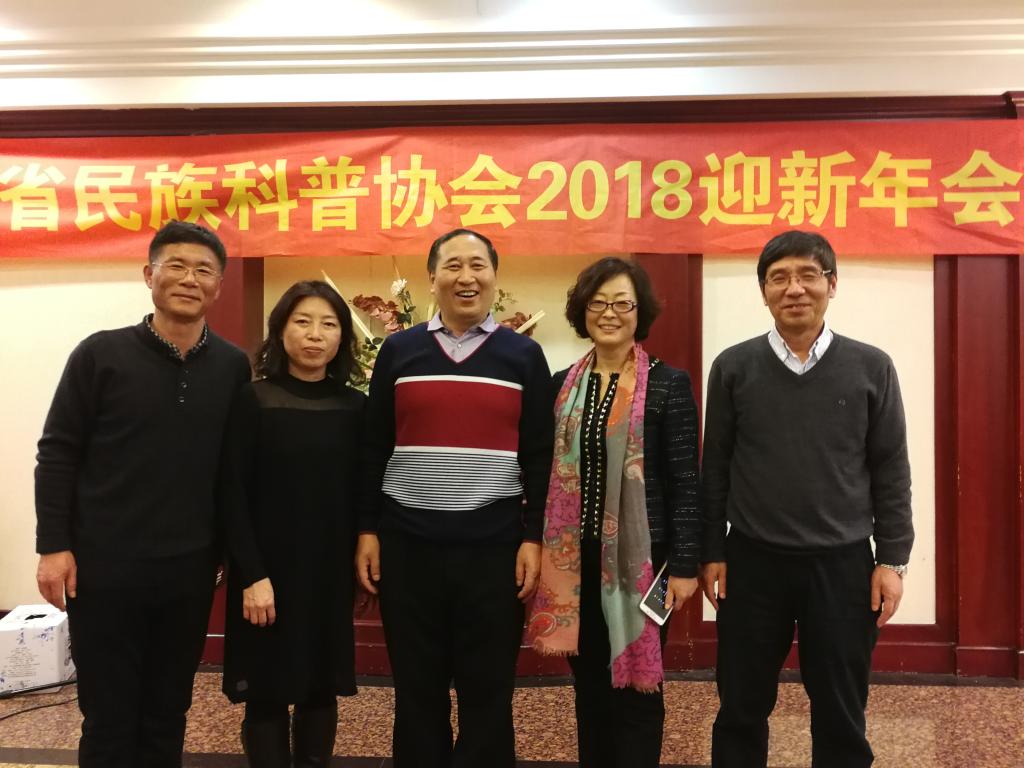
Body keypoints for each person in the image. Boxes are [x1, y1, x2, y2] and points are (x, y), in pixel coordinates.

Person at [34, 220, 251, 768]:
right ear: (149, 275)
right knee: (107, 714)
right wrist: (53, 546)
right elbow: (57, 453)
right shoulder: (100, 355)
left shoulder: (232, 366)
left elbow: (233, 470)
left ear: (218, 286)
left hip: (188, 571)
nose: (189, 279)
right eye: (176, 265)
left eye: (203, 270)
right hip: (103, 569)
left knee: (168, 709)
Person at [700, 230, 914, 768]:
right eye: (779, 278)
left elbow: (891, 468)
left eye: (807, 275)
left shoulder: (871, 366)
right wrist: (712, 550)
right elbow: (715, 467)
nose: (794, 288)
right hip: (752, 563)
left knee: (842, 712)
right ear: (764, 292)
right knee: (741, 705)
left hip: (841, 566)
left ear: (831, 284)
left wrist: (892, 560)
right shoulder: (733, 367)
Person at [354, 228, 554, 768]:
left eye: (477, 265)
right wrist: (367, 529)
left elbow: (539, 456)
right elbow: (374, 446)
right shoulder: (399, 351)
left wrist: (533, 536)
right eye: (453, 265)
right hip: (407, 545)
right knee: (416, 688)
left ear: (494, 275)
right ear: (432, 278)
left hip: (494, 547)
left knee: (488, 690)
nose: (466, 277)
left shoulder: (523, 355)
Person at [527, 257, 701, 768]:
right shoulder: (560, 385)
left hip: (648, 565)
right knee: (589, 686)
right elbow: (542, 472)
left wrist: (685, 564)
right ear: (582, 311)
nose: (609, 313)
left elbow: (686, 481)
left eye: (622, 303)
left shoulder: (669, 384)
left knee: (640, 688)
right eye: (598, 303)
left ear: (639, 311)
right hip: (573, 564)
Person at [219, 280, 365, 768]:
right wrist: (251, 575)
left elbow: (363, 493)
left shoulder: (356, 408)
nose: (315, 334)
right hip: (264, 575)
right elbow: (232, 494)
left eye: (328, 324)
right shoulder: (252, 400)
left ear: (342, 337)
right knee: (266, 689)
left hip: (327, 573)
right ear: (280, 331)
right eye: (302, 322)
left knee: (320, 686)